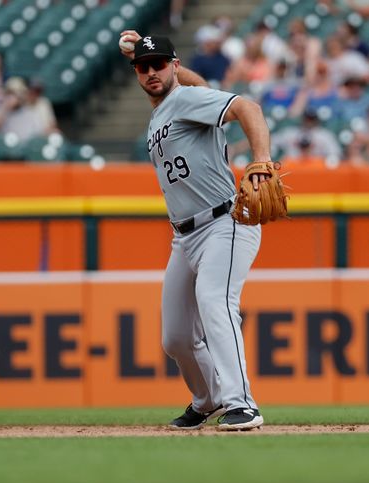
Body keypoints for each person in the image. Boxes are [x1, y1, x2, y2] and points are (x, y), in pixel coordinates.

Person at [119, 31, 268, 431]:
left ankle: (243, 403)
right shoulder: (164, 113)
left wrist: (262, 159)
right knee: (176, 337)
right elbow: (203, 91)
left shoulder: (183, 99)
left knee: (214, 299)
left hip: (224, 223)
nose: (151, 72)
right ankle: (208, 400)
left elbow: (246, 106)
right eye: (143, 67)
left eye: (159, 64)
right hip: (184, 238)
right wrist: (146, 51)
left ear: (175, 66)